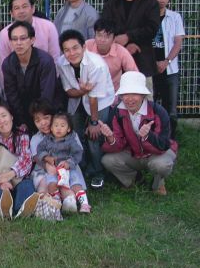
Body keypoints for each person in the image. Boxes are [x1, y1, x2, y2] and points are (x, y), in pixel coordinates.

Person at [100, 71, 177, 196]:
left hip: (157, 153)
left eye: (134, 94)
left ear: (143, 95)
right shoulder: (117, 112)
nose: (129, 99)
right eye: (126, 94)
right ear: (121, 96)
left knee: (162, 165)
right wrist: (110, 138)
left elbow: (164, 144)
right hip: (134, 153)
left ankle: (158, 184)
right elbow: (119, 144)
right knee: (107, 160)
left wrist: (148, 136)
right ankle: (135, 181)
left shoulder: (158, 111)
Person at [56, 29, 115, 189]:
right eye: (67, 50)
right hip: (77, 99)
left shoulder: (97, 65)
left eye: (75, 48)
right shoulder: (61, 63)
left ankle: (98, 172)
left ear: (84, 47)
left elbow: (94, 97)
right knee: (75, 133)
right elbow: (69, 91)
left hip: (100, 101)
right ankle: (81, 167)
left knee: (94, 136)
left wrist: (94, 122)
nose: (71, 53)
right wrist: (83, 91)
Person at [101, 0, 160, 91]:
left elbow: (152, 29)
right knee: (116, 100)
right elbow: (105, 28)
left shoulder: (150, 3)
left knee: (144, 98)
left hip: (143, 62)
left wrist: (129, 37)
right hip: (116, 64)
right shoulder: (111, 5)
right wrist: (124, 46)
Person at [1, 21, 61, 130]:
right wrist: (21, 121)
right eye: (14, 39)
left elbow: (47, 95)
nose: (19, 43)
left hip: (47, 114)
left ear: (32, 40)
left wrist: (39, 120)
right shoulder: (8, 63)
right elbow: (12, 96)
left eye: (23, 38)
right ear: (10, 42)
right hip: (22, 115)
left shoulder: (45, 61)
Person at [0, 103, 39, 220]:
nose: (1, 121)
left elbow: (26, 159)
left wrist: (12, 173)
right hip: (0, 179)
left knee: (26, 185)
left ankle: (23, 209)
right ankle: (3, 210)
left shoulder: (22, 133)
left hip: (19, 177)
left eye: (4, 116)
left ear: (11, 117)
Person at [0, 0, 60, 86]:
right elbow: (3, 67)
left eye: (25, 6)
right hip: (17, 85)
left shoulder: (48, 27)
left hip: (45, 81)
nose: (21, 11)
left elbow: (55, 59)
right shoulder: (5, 34)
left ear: (33, 8)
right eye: (16, 8)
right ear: (11, 13)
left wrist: (51, 86)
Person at [148, 0, 185, 139]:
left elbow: (178, 43)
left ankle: (170, 140)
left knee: (171, 109)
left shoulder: (175, 17)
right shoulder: (146, 17)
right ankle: (152, 138)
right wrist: (153, 63)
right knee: (150, 106)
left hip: (170, 69)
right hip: (149, 68)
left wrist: (166, 61)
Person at [36, 111, 91, 214]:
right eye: (56, 125)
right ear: (51, 128)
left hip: (68, 169)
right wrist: (46, 157)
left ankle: (84, 204)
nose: (59, 128)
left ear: (68, 129)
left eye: (62, 126)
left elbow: (78, 153)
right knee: (51, 184)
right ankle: (56, 202)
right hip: (54, 169)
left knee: (75, 184)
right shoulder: (47, 139)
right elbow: (39, 149)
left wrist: (69, 163)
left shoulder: (71, 140)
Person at [85, 18, 138, 92]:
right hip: (88, 90)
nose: (102, 40)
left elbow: (134, 74)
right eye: (99, 35)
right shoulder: (86, 46)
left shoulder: (121, 51)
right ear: (94, 35)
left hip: (114, 92)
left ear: (114, 39)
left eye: (107, 36)